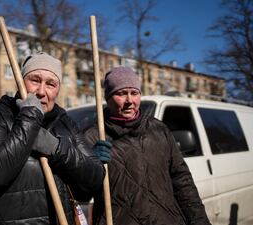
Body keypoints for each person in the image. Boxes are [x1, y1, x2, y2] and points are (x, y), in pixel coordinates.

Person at [0, 52, 107, 224]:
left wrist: (56, 149)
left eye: (51, 84)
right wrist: (30, 118)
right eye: (35, 80)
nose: (41, 91)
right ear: (20, 81)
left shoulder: (66, 123)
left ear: (58, 89)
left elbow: (94, 179)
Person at [85, 66, 211, 225]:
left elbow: (182, 180)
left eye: (134, 93)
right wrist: (89, 168)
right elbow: (81, 194)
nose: (129, 101)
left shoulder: (158, 130)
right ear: (108, 97)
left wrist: (199, 221)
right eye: (121, 93)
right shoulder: (93, 138)